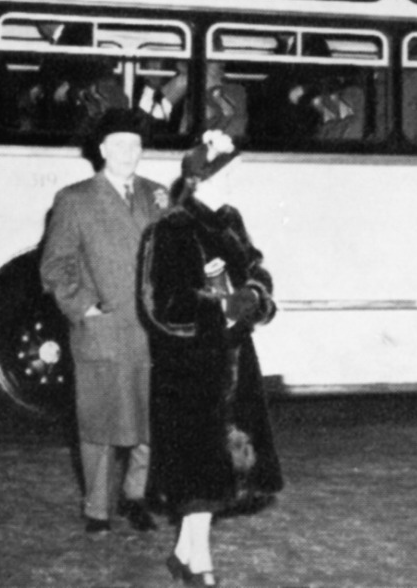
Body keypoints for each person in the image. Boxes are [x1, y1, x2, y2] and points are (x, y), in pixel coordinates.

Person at [138, 131, 282, 586]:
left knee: (221, 469)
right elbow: (161, 305)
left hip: (235, 366)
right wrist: (219, 308)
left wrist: (254, 296)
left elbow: (257, 268)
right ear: (201, 180)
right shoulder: (171, 229)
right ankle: (200, 565)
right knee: (201, 472)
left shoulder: (230, 221)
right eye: (228, 172)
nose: (236, 182)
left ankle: (184, 553)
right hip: (191, 370)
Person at [40, 108, 168, 535]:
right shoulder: (74, 199)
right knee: (99, 422)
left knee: (150, 421)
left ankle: (137, 496)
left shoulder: (159, 195)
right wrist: (84, 308)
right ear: (101, 150)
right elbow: (55, 266)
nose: (128, 153)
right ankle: (96, 507)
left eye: (134, 144)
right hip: (104, 329)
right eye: (118, 144)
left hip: (152, 330)